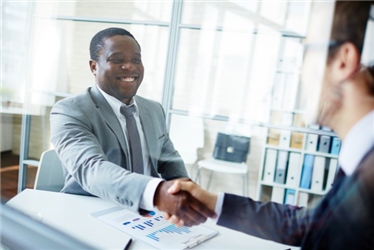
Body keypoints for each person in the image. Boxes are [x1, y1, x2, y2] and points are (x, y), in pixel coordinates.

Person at [165, 1, 374, 249]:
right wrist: (212, 202)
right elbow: (307, 225)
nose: (300, 71)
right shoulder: (359, 163)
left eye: (307, 50)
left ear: (343, 59)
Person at [50, 27, 215, 227]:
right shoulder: (69, 110)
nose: (130, 67)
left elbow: (168, 158)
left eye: (136, 60)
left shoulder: (153, 109)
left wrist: (184, 189)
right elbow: (91, 168)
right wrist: (156, 193)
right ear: (94, 66)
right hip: (91, 214)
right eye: (117, 60)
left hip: (150, 217)